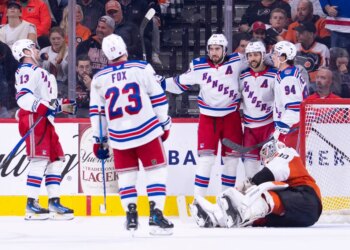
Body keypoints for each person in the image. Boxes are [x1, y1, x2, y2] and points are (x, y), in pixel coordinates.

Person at [89, 34, 173, 234]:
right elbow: (159, 99)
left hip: (119, 137)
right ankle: (156, 214)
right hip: (147, 130)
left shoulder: (99, 78)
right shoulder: (142, 68)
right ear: (125, 49)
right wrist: (164, 123)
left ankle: (131, 215)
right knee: (156, 173)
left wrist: (99, 139)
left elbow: (97, 113)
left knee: (127, 178)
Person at [164, 34, 245, 198]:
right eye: (211, 49)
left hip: (232, 118)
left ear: (225, 50)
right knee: (205, 161)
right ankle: (198, 201)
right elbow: (179, 84)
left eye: (218, 49)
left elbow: (259, 60)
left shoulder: (238, 61)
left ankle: (226, 201)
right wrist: (158, 82)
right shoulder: (198, 65)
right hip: (208, 120)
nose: (214, 52)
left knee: (231, 162)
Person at [11, 39, 76, 220]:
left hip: (44, 119)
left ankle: (54, 201)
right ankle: (31, 204)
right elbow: (23, 97)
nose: (37, 49)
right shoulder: (26, 71)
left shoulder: (39, 72)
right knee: (39, 160)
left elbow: (48, 103)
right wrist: (42, 108)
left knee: (56, 160)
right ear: (24, 52)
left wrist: (65, 107)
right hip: (34, 118)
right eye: (32, 47)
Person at [191, 140, 322, 228]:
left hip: (308, 200)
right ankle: (215, 217)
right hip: (294, 215)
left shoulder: (288, 154)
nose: (265, 159)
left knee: (262, 192)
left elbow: (266, 175)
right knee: (256, 214)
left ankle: (239, 213)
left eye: (266, 154)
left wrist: (246, 185)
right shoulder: (280, 172)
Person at [239, 40, 277, 178]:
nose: (252, 58)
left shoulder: (274, 75)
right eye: (249, 55)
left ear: (263, 55)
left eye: (256, 55)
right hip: (249, 131)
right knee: (250, 174)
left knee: (272, 169)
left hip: (269, 128)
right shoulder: (242, 77)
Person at [271, 40, 307, 150]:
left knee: (290, 165)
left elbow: (294, 109)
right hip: (291, 128)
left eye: (275, 54)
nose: (272, 57)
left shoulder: (288, 77)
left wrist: (280, 132)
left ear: (283, 57)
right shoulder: (286, 72)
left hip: (292, 129)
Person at [40, 26, 68, 98]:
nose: (56, 41)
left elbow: (70, 72)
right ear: (49, 39)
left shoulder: (69, 52)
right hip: (46, 84)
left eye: (58, 38)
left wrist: (61, 62)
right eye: (53, 39)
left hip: (63, 84)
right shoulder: (44, 51)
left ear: (63, 39)